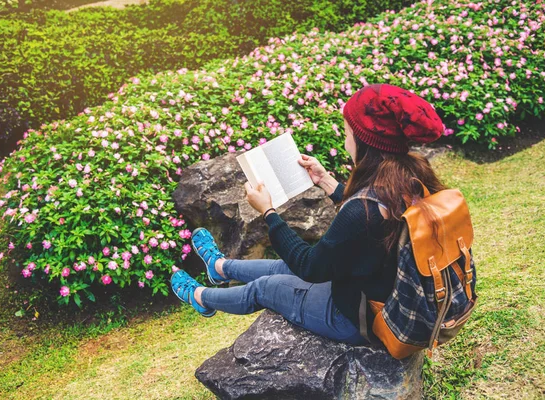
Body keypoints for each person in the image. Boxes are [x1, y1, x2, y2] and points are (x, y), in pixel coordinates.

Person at [170, 83, 447, 346]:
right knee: (282, 266)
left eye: (348, 131)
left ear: (365, 141)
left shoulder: (361, 210)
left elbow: (310, 267)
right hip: (377, 289)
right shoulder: (411, 176)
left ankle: (200, 297)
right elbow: (372, 216)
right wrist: (326, 181)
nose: (345, 137)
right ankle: (220, 269)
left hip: (359, 318)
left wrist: (267, 211)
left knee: (266, 287)